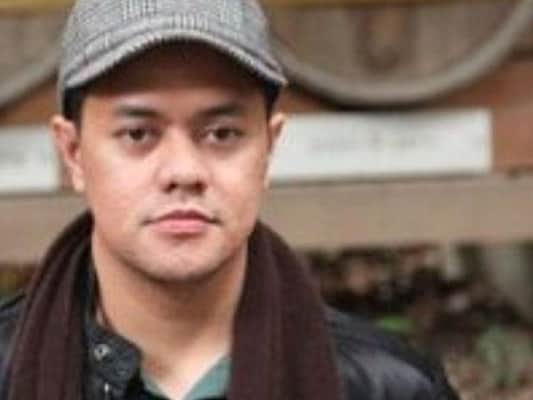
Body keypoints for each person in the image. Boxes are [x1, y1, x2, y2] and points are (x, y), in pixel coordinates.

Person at [0, 0, 459, 399]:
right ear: (73, 153)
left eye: (221, 134)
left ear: (269, 147)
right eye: (138, 134)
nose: (184, 172)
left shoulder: (387, 387)